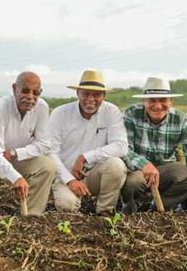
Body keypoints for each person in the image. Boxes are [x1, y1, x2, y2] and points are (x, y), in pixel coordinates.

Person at [121, 77, 187, 221]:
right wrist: (143, 164)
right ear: (144, 101)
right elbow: (123, 149)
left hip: (165, 169)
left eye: (163, 100)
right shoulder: (131, 114)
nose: (157, 106)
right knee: (135, 182)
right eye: (152, 100)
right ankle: (129, 212)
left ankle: (153, 209)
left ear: (171, 101)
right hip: (137, 170)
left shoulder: (180, 120)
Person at [0, 71, 55, 216]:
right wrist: (16, 177)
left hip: (14, 154)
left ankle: (31, 217)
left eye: (36, 93)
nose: (30, 97)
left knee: (47, 166)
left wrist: (15, 153)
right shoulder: (0, 108)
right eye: (25, 91)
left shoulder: (42, 107)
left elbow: (44, 144)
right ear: (15, 88)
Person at [47, 70, 127, 216]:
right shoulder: (60, 113)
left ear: (104, 95)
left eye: (96, 95)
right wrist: (70, 180)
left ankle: (104, 212)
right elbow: (51, 152)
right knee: (67, 206)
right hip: (66, 175)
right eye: (86, 94)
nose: (90, 99)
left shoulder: (111, 111)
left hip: (94, 174)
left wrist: (86, 157)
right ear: (78, 93)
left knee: (116, 165)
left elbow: (121, 146)